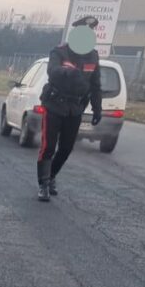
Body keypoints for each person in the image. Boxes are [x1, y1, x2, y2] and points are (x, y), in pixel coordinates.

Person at [36, 16, 102, 201]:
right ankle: (43, 184)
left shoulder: (93, 56)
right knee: (48, 147)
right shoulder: (60, 52)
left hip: (75, 108)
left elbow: (95, 84)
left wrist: (98, 108)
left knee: (66, 148)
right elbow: (52, 71)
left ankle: (52, 176)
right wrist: (69, 72)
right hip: (55, 104)